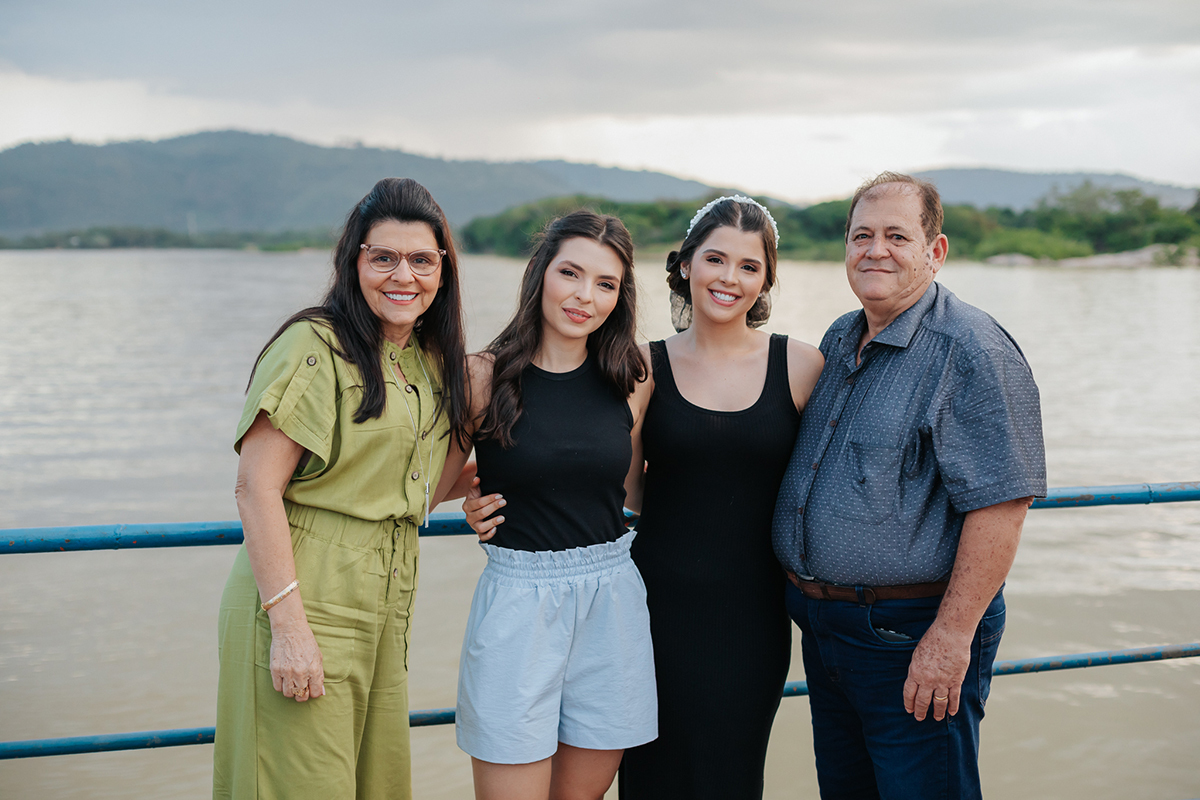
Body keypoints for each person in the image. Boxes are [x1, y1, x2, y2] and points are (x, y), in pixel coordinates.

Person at [772, 172, 1046, 799]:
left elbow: (1003, 507)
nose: (875, 250)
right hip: (827, 628)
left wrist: (950, 640)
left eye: (897, 235)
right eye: (861, 235)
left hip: (911, 634)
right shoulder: (843, 336)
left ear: (935, 251)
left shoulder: (971, 348)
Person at [213, 178, 470, 800]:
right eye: (382, 257)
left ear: (443, 272)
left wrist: (480, 492)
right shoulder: (315, 345)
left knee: (374, 787)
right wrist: (291, 629)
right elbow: (255, 488)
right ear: (353, 260)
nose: (402, 275)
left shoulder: (429, 359)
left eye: (421, 260)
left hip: (386, 605)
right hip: (306, 596)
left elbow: (403, 488)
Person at [615, 196, 824, 799]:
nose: (729, 279)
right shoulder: (642, 367)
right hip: (654, 608)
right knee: (651, 777)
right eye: (715, 259)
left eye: (749, 266)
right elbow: (620, 491)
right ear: (685, 265)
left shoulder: (803, 365)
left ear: (765, 281)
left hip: (754, 615)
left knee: (732, 775)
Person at [445, 210, 657, 800]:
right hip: (517, 603)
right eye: (571, 273)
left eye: (606, 284)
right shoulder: (482, 377)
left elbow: (626, 482)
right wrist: (472, 487)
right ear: (541, 272)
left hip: (611, 600)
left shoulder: (631, 376)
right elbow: (424, 486)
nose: (585, 296)